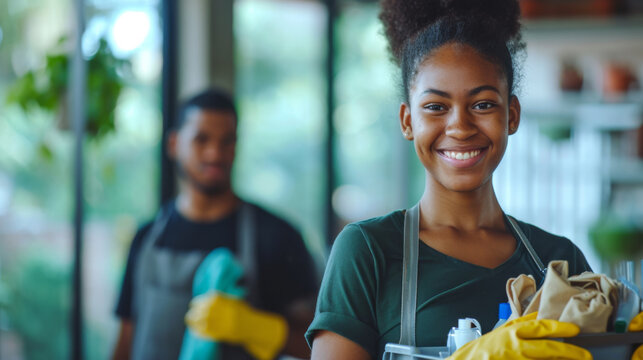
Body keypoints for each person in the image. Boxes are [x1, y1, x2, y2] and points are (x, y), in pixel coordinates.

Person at [306, 1, 595, 359]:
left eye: (483, 104)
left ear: (513, 115)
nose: (459, 126)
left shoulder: (559, 261)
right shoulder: (368, 251)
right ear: (408, 121)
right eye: (436, 107)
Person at [112, 88, 318, 360]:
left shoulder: (278, 237)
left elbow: (318, 346)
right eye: (201, 139)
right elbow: (126, 338)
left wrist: (261, 329)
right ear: (174, 144)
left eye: (227, 141)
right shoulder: (146, 237)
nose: (214, 154)